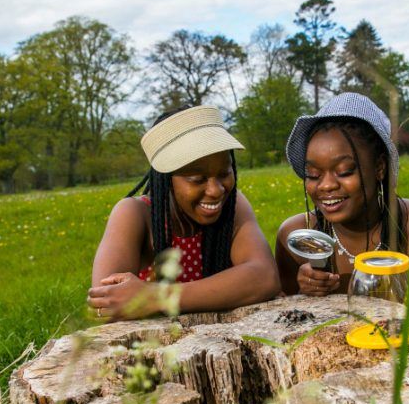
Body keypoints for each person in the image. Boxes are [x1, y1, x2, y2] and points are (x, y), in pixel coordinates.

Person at [88, 105, 280, 319]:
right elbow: (107, 302)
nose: (216, 190)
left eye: (225, 173)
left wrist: (155, 297)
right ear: (166, 180)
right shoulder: (135, 214)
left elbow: (265, 276)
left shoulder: (233, 205)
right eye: (197, 179)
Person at [275, 92, 409, 296]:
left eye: (345, 171)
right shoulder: (296, 238)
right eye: (313, 174)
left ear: (379, 167)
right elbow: (283, 315)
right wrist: (303, 294)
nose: (326, 185)